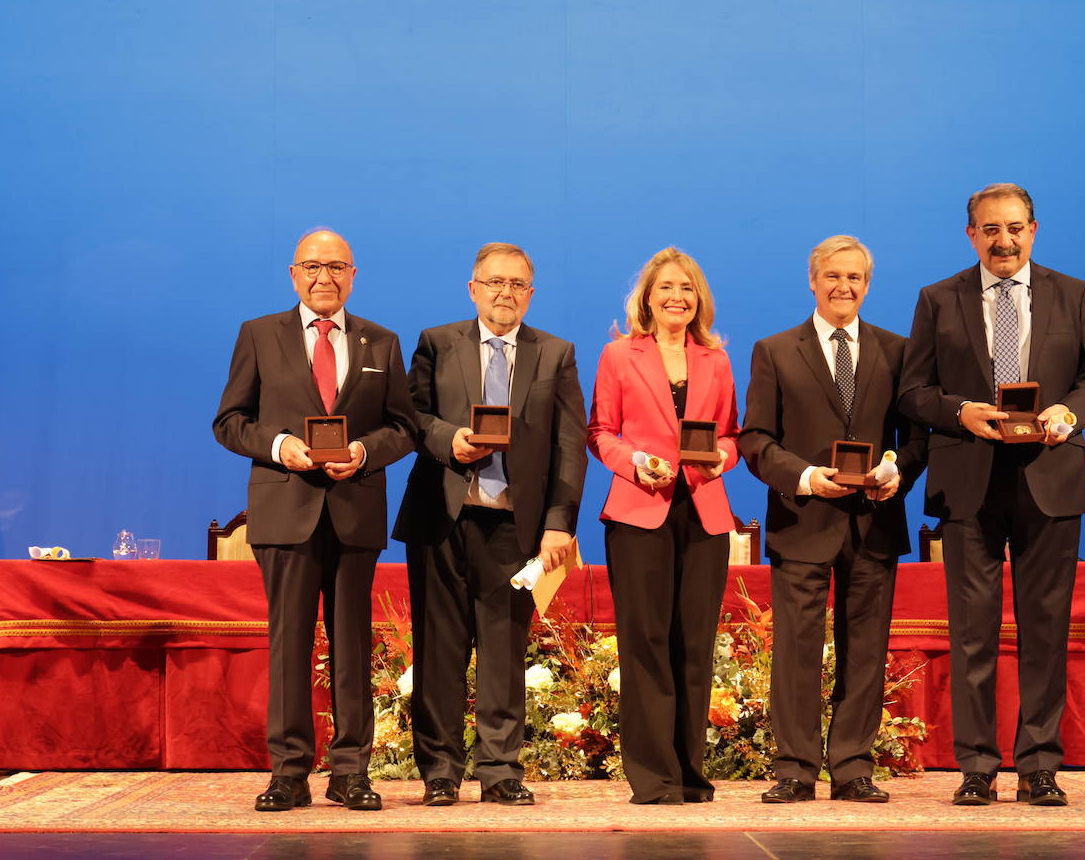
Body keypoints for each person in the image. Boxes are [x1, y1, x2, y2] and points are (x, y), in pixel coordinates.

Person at [898, 183, 1085, 807]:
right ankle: (977, 766)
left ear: (1034, 230)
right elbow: (914, 392)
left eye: (1015, 228)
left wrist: (1068, 415)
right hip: (969, 483)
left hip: (1051, 480)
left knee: (1046, 629)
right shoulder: (938, 299)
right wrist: (960, 409)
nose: (1004, 240)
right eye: (990, 229)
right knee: (973, 632)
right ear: (971, 235)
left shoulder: (1074, 294)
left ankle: (1040, 764)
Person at [214, 228, 416, 812]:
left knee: (353, 643)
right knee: (290, 642)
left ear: (354, 275)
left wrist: (364, 453)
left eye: (336, 267)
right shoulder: (259, 335)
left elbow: (402, 427)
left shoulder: (382, 341)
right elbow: (229, 421)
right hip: (285, 512)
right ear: (292, 273)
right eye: (312, 266)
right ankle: (289, 773)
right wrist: (279, 446)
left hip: (355, 512)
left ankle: (351, 771)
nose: (324, 277)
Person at [392, 242, 586, 807]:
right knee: (438, 652)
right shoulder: (436, 342)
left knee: (504, 653)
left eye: (518, 284)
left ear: (531, 293)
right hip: (443, 519)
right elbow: (411, 416)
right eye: (495, 283)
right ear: (472, 288)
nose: (506, 293)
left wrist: (558, 523)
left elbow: (570, 446)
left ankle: (501, 771)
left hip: (516, 529)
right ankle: (441, 773)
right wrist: (447, 440)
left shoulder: (555, 353)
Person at [738, 235, 926, 804]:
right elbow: (755, 439)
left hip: (874, 523)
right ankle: (794, 769)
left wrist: (898, 470)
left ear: (867, 285)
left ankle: (852, 768)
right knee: (796, 650)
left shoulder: (898, 351)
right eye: (833, 277)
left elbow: (916, 439)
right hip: (803, 520)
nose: (844, 287)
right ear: (813, 281)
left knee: (865, 650)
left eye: (855, 278)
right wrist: (804, 477)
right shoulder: (774, 350)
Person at [587, 247, 741, 805]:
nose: (677, 297)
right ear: (647, 297)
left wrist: (722, 457)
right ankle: (653, 777)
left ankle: (690, 773)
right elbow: (601, 431)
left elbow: (731, 436)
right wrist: (635, 463)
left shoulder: (717, 360)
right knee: (645, 643)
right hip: (638, 511)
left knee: (694, 645)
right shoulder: (618, 356)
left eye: (687, 288)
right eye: (666, 288)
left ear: (698, 299)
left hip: (703, 512)